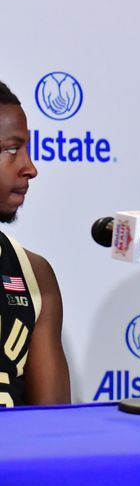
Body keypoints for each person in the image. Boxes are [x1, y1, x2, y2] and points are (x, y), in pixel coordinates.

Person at [0, 80, 70, 406]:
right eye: (12, 150)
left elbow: (53, 430)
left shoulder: (34, 275)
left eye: (28, 149)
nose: (30, 167)